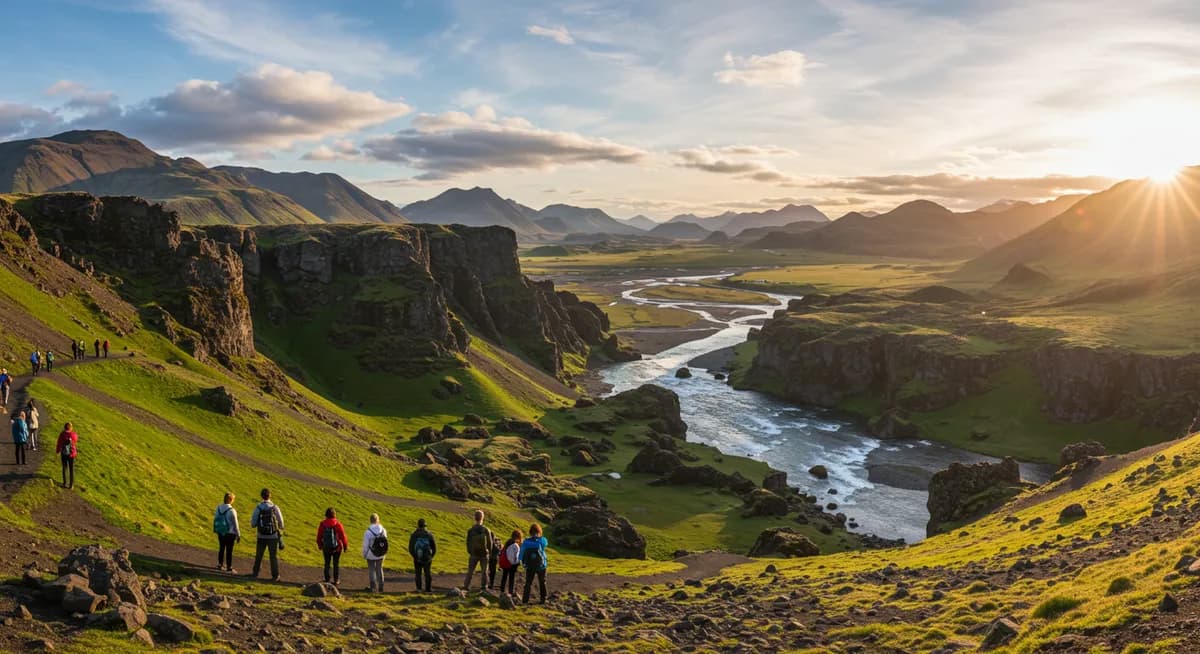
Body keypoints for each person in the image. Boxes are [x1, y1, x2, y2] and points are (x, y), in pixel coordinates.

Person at [250, 488, 285, 581]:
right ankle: (275, 575)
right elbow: (281, 522)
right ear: (270, 496)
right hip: (273, 536)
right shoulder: (274, 507)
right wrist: (280, 528)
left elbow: (253, 523)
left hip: (261, 535)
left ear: (261, 496)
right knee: (273, 556)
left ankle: (255, 572)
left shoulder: (258, 507)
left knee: (259, 555)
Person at [463, 509, 495, 591]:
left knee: (470, 571)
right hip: (484, 554)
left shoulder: (471, 530)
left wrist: (470, 551)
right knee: (484, 571)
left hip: (474, 554)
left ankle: (466, 585)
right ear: (482, 518)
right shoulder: (486, 530)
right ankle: (484, 586)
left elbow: (468, 542)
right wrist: (489, 552)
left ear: (475, 518)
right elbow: (489, 543)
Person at [316, 508, 349, 586]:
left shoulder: (322, 524)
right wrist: (345, 546)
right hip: (337, 548)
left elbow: (319, 536)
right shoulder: (338, 524)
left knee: (327, 563)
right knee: (336, 563)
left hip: (326, 547)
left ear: (326, 515)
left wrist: (320, 545)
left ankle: (327, 579)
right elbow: (343, 536)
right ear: (334, 515)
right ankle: (336, 580)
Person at [519, 523, 549, 604]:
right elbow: (545, 545)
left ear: (530, 532)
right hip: (541, 565)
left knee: (528, 583)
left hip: (529, 566)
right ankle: (543, 599)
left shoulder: (526, 542)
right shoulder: (542, 540)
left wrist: (523, 563)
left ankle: (525, 600)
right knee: (542, 582)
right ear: (539, 531)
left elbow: (521, 554)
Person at [213, 492, 240, 573]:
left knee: (221, 548)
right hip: (230, 533)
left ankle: (220, 564)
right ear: (231, 500)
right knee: (229, 550)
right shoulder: (232, 510)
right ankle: (229, 567)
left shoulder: (218, 508)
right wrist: (238, 534)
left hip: (221, 531)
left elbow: (216, 518)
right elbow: (235, 524)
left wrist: (215, 529)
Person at [408, 518, 436, 592]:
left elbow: (410, 548)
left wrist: (415, 556)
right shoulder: (429, 535)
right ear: (425, 525)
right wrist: (431, 556)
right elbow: (434, 548)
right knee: (427, 573)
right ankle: (428, 588)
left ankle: (419, 588)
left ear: (418, 525)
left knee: (418, 573)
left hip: (417, 557)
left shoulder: (414, 535)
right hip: (427, 557)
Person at [362, 513, 388, 593]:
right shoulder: (383, 530)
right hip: (381, 553)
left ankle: (373, 587)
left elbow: (365, 545)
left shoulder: (368, 532)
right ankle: (381, 587)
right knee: (379, 569)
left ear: (370, 521)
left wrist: (364, 554)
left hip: (371, 554)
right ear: (378, 520)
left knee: (371, 569)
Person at [497, 529, 522, 596]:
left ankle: (502, 590)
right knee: (511, 578)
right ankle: (510, 591)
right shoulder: (515, 545)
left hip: (505, 563)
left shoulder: (507, 542)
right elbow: (516, 556)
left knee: (504, 576)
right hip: (511, 564)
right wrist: (517, 562)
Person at [55, 422, 77, 488]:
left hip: (64, 453)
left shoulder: (62, 434)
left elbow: (59, 443)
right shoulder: (73, 435)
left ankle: (65, 483)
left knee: (64, 468)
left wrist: (58, 451)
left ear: (64, 427)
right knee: (71, 469)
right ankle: (71, 485)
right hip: (71, 454)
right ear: (70, 428)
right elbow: (76, 439)